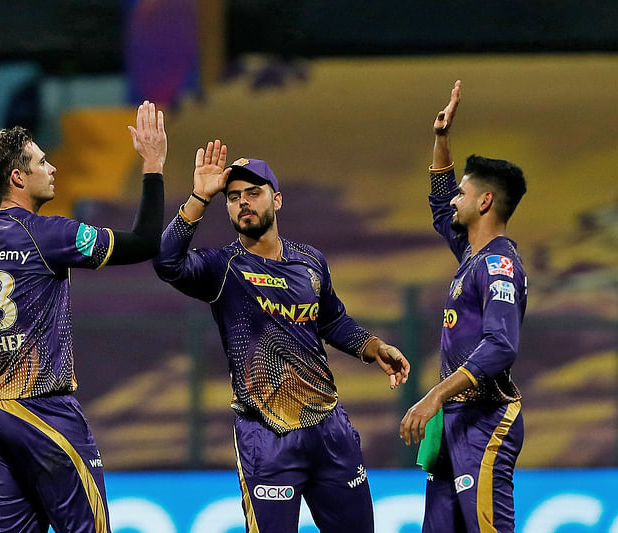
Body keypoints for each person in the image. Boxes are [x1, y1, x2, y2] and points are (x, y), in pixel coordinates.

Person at [153, 140, 410, 532]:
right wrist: (197, 199)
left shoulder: (310, 261)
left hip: (328, 430)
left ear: (277, 200)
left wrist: (374, 347)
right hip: (266, 436)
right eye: (234, 196)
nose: (243, 202)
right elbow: (167, 261)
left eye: (253, 193)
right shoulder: (222, 268)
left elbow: (332, 320)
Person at [0, 100, 166, 533]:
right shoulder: (47, 234)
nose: (53, 169)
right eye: (43, 162)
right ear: (17, 178)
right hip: (46, 412)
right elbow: (144, 242)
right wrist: (153, 164)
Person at [399, 80, 527, 532]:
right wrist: (441, 141)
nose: (454, 197)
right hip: (452, 424)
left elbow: (500, 346)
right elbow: (440, 206)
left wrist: (434, 395)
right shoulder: (471, 255)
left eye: (463, 193)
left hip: (485, 421)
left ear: (486, 201)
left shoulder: (498, 266)